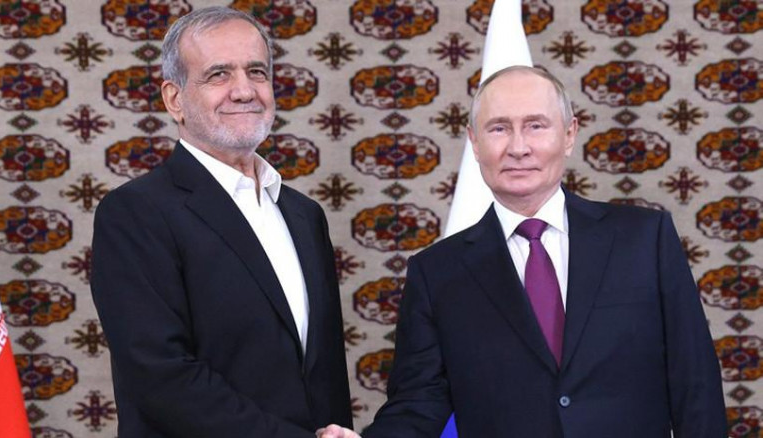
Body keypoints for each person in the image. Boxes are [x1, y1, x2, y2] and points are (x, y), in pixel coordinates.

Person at [319, 66, 726, 437]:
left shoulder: (645, 240)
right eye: (499, 128)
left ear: (569, 134)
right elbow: (419, 403)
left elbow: (696, 384)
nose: (518, 147)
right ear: (474, 142)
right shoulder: (436, 273)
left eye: (535, 126)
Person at [91, 7, 352, 437]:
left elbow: (324, 374)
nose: (245, 91)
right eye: (219, 75)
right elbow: (162, 378)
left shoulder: (305, 216)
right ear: (174, 100)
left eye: (257, 72)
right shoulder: (135, 214)